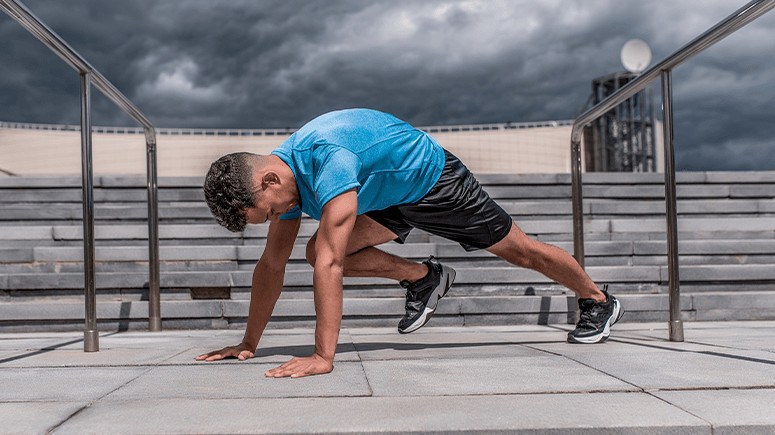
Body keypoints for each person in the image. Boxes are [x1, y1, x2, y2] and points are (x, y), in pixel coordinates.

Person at [195, 108, 624, 378]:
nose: (276, 219)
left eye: (268, 212)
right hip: (386, 194)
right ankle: (424, 278)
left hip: (434, 182)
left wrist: (323, 357)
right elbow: (272, 264)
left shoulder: (329, 161)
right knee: (310, 250)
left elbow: (331, 265)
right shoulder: (284, 180)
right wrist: (248, 342)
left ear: (269, 180)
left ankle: (597, 299)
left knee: (520, 251)